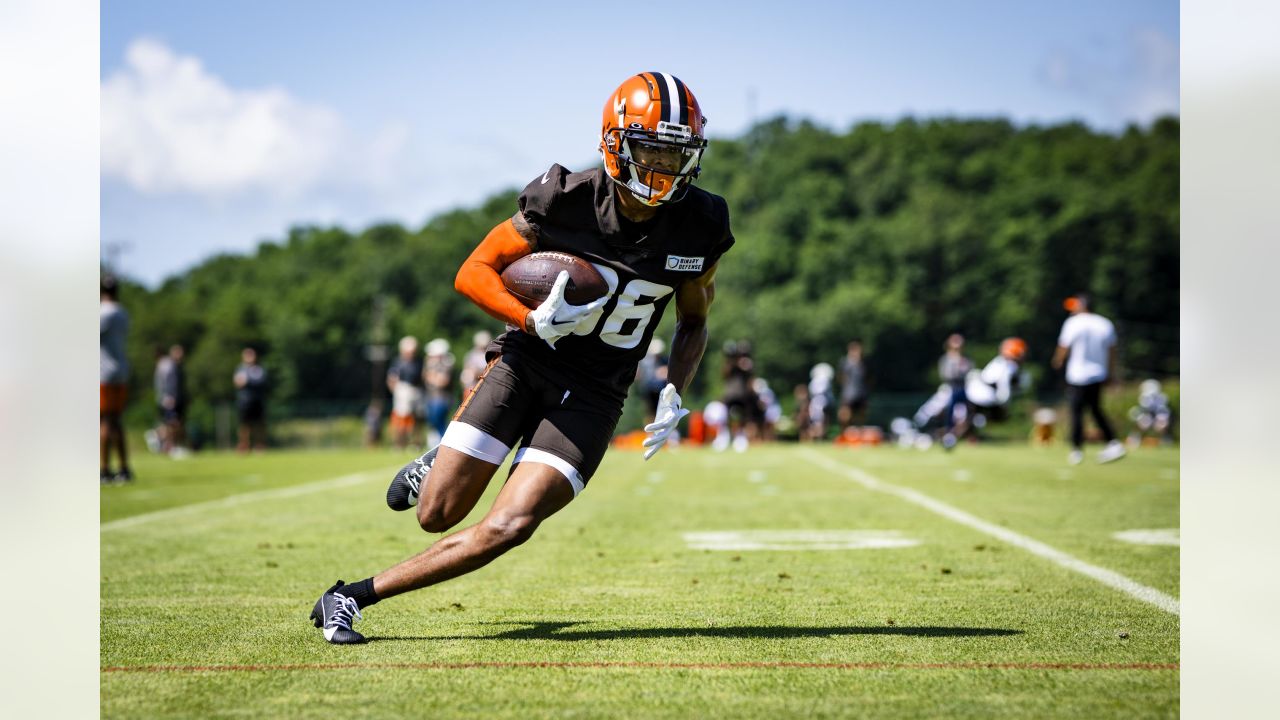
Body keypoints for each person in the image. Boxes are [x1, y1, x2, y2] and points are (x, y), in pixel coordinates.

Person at [310, 72, 733, 644]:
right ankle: (437, 461)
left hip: (595, 394)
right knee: (435, 514)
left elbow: (695, 319)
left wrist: (675, 389)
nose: (663, 167)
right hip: (527, 361)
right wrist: (528, 317)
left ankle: (350, 597)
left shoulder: (701, 224)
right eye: (650, 149)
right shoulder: (563, 198)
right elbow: (472, 271)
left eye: (675, 153)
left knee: (510, 524)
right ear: (615, 143)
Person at [1052, 293, 1125, 465]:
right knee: (1096, 409)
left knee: (1076, 412)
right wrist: (1111, 373)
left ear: (1082, 306)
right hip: (1098, 374)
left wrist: (1058, 360)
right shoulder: (1104, 323)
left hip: (1077, 375)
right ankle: (1113, 442)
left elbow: (1063, 346)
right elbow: (1112, 351)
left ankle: (1076, 450)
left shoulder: (1073, 323)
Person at [950, 337, 1029, 442]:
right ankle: (975, 424)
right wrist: (1005, 403)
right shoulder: (1010, 366)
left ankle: (953, 437)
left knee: (970, 419)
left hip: (975, 391)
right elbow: (1004, 387)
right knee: (999, 416)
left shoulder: (1000, 361)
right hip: (984, 395)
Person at [100, 275, 133, 484]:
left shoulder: (103, 313)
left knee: (104, 421)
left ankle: (104, 469)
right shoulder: (122, 313)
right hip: (121, 371)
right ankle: (123, 468)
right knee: (116, 421)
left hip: (103, 372)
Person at [717, 340, 757, 451]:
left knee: (744, 417)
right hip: (731, 394)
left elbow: (750, 377)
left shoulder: (746, 363)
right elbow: (725, 374)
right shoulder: (730, 364)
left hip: (742, 394)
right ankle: (727, 436)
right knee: (727, 417)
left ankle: (740, 437)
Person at [387, 335, 425, 451]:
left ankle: (415, 443)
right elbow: (391, 379)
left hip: (417, 391)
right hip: (403, 390)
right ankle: (399, 444)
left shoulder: (419, 361)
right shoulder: (398, 361)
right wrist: (396, 392)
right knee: (402, 419)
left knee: (417, 419)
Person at [937, 333, 973, 450]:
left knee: (965, 417)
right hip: (950, 389)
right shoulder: (946, 360)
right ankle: (944, 435)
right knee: (946, 414)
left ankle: (955, 437)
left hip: (963, 389)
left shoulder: (966, 360)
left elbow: (969, 373)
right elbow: (946, 375)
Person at [234, 347, 269, 452]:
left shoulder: (259, 369)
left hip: (257, 401)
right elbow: (238, 383)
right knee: (244, 425)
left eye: (252, 355)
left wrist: (247, 381)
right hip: (244, 401)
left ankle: (259, 446)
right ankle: (244, 445)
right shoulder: (240, 368)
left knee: (259, 424)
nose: (250, 357)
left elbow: (262, 381)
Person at [423, 338, 456, 447]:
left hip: (443, 398)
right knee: (433, 421)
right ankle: (438, 443)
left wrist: (432, 377)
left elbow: (442, 382)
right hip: (431, 397)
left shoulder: (446, 363)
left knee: (439, 420)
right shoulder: (430, 363)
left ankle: (444, 443)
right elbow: (426, 376)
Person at [158, 344, 188, 456]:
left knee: (178, 423)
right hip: (170, 399)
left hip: (178, 399)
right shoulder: (168, 367)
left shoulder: (179, 366)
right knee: (172, 423)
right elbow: (166, 384)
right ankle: (170, 446)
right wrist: (168, 397)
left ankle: (175, 446)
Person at [635, 338, 670, 426]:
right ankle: (650, 431)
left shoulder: (665, 360)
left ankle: (661, 431)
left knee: (662, 412)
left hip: (661, 391)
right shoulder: (645, 361)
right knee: (650, 413)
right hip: (648, 390)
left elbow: (669, 372)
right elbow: (639, 375)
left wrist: (663, 372)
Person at [837, 340, 869, 430]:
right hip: (848, 393)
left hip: (861, 392)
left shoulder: (864, 363)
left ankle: (859, 433)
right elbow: (841, 377)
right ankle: (844, 431)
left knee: (861, 414)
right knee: (845, 413)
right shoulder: (845, 363)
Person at [459, 330, 493, 402]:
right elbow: (467, 375)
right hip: (472, 388)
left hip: (486, 388)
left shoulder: (491, 354)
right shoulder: (471, 355)